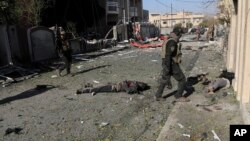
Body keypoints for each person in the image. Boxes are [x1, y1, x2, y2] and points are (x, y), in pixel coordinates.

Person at [155, 28, 190, 102]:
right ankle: (178, 96)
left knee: (164, 80)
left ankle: (158, 96)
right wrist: (168, 68)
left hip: (166, 63)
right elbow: (168, 55)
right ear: (178, 35)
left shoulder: (169, 39)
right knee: (182, 79)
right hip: (171, 63)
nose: (180, 36)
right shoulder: (172, 42)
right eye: (180, 35)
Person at [76, 80, 150, 95]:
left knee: (97, 89)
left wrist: (125, 84)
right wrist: (125, 83)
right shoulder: (134, 83)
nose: (137, 82)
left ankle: (82, 91)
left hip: (113, 88)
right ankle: (88, 86)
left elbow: (128, 90)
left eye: (140, 83)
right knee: (100, 85)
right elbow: (125, 81)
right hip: (114, 84)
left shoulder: (134, 88)